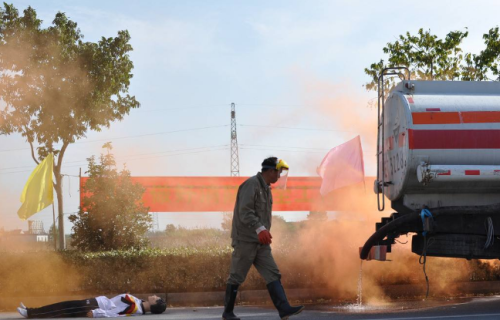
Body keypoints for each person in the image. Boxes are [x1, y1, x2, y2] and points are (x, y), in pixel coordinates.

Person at [223, 157, 304, 320]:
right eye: (278, 172)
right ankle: (228, 313)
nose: (279, 176)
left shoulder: (266, 189)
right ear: (270, 170)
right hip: (246, 240)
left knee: (272, 273)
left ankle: (284, 309)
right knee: (237, 276)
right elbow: (244, 212)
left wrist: (263, 231)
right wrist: (259, 228)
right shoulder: (251, 184)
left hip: (261, 242)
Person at [17, 294, 167, 318]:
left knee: (61, 309)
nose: (154, 296)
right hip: (95, 302)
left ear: (154, 303)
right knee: (62, 306)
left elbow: (115, 314)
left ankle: (30, 313)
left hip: (93, 306)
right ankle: (30, 311)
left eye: (157, 298)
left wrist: (96, 313)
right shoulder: (138, 303)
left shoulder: (134, 307)